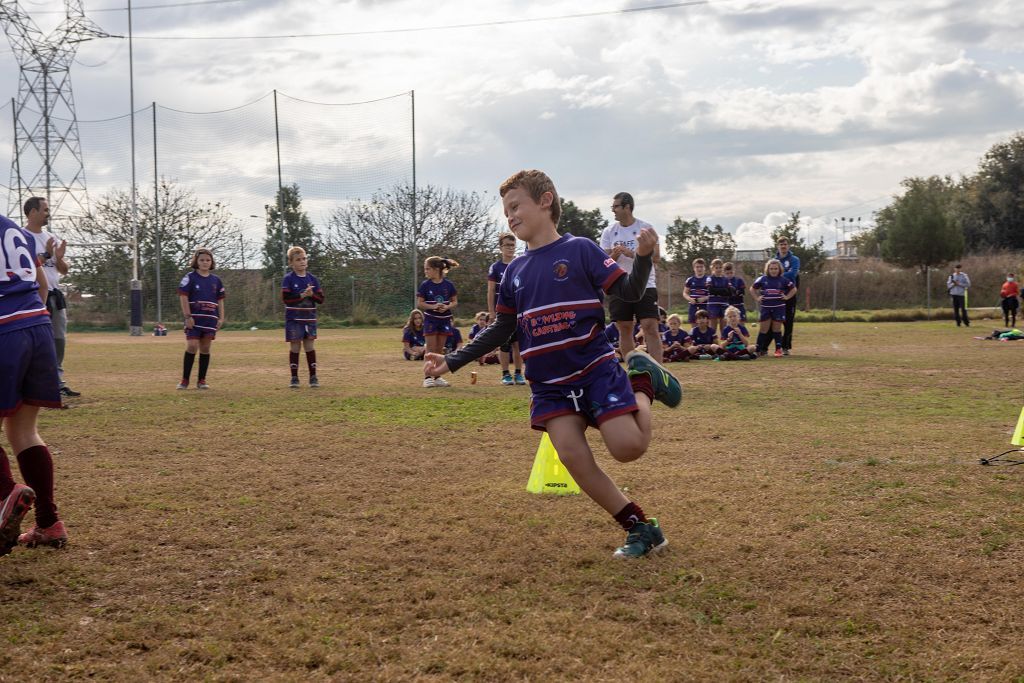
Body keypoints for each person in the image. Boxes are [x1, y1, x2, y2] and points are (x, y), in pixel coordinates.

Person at [424, 169, 682, 559]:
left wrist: (643, 260)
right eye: (506, 210)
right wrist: (453, 361)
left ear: (545, 201)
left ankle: (644, 380)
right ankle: (640, 528)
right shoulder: (514, 272)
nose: (509, 216)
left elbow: (626, 293)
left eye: (516, 206)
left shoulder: (580, 249)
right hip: (549, 383)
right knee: (572, 455)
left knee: (628, 448)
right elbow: (502, 328)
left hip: (594, 368)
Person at [0, 213, 67, 553]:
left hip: (4, 330)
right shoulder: (12, 226)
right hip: (38, 326)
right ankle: (48, 524)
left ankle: (6, 495)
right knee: (23, 431)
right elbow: (42, 285)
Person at [23, 197, 80, 400]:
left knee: (58, 340)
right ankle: (33, 383)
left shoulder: (51, 237)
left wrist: (60, 257)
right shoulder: (22, 237)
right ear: (32, 213)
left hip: (55, 296)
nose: (48, 213)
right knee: (35, 342)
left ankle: (58, 382)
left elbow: (63, 271)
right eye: (45, 210)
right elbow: (26, 266)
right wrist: (46, 255)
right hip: (34, 296)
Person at [600, 192, 663, 363]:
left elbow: (656, 257)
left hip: (645, 284)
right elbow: (604, 261)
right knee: (625, 328)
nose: (612, 210)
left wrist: (633, 253)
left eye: (616, 206)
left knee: (650, 326)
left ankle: (661, 373)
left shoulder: (646, 228)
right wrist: (614, 254)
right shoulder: (608, 232)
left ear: (627, 207)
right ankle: (633, 372)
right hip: (619, 285)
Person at [177, 248, 225, 389]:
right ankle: (185, 380)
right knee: (192, 346)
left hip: (210, 319)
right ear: (196, 262)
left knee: (205, 348)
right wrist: (187, 316)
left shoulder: (216, 280)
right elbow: (183, 296)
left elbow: (220, 300)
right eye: (202, 260)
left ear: (212, 262)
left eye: (208, 260)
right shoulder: (190, 278)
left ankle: (201, 380)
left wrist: (221, 318)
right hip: (194, 319)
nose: (205, 262)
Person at [281, 246, 323, 388]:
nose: (302, 262)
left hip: (309, 319)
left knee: (309, 346)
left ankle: (313, 377)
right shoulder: (288, 279)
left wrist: (312, 295)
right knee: (295, 347)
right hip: (294, 319)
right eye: (298, 260)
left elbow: (321, 299)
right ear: (291, 263)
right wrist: (301, 295)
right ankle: (294, 378)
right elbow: (286, 299)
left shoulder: (313, 279)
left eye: (304, 258)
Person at [487, 233, 525, 385]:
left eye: (512, 245)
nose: (510, 248)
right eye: (507, 245)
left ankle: (518, 373)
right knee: (505, 343)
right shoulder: (495, 267)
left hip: (518, 310)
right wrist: (491, 311)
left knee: (518, 343)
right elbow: (490, 291)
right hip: (502, 311)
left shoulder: (520, 263)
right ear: (500, 247)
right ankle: (505, 374)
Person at [417, 256, 459, 388]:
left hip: (445, 320)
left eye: (428, 269)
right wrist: (433, 307)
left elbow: (454, 301)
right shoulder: (425, 285)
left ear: (436, 269)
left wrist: (447, 307)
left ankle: (437, 376)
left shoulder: (449, 285)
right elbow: (420, 303)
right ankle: (427, 377)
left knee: (439, 350)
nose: (426, 271)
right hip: (431, 320)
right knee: (430, 349)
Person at [751, 258, 797, 357]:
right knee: (764, 329)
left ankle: (778, 350)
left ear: (779, 269)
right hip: (766, 307)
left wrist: (787, 297)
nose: (773, 270)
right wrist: (757, 298)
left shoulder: (784, 280)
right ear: (768, 269)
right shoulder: (762, 279)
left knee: (777, 329)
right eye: (771, 268)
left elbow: (793, 289)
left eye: (775, 268)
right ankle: (758, 350)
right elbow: (752, 288)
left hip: (779, 307)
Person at [774, 237, 800, 355]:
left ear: (788, 246)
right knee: (775, 322)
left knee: (788, 322)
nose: (783, 246)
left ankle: (786, 347)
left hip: (790, 294)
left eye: (785, 244)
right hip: (777, 295)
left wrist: (779, 274)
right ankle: (771, 347)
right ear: (778, 246)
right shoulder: (774, 260)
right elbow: (770, 275)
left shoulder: (794, 259)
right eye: (781, 244)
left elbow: (793, 273)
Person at [704, 258, 732, 335]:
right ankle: (712, 344)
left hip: (724, 304)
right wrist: (723, 290)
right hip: (713, 304)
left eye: (720, 267)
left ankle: (724, 345)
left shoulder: (726, 279)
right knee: (713, 327)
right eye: (716, 268)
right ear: (712, 268)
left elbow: (730, 292)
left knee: (724, 327)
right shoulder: (710, 278)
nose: (718, 269)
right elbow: (711, 290)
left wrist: (718, 291)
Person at [683, 258, 709, 324]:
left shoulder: (709, 279)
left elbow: (712, 294)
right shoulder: (690, 280)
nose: (699, 269)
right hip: (693, 305)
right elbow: (685, 293)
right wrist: (690, 299)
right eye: (697, 267)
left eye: (701, 267)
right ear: (694, 268)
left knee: (705, 324)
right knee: (693, 324)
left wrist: (705, 298)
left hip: (705, 305)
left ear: (704, 268)